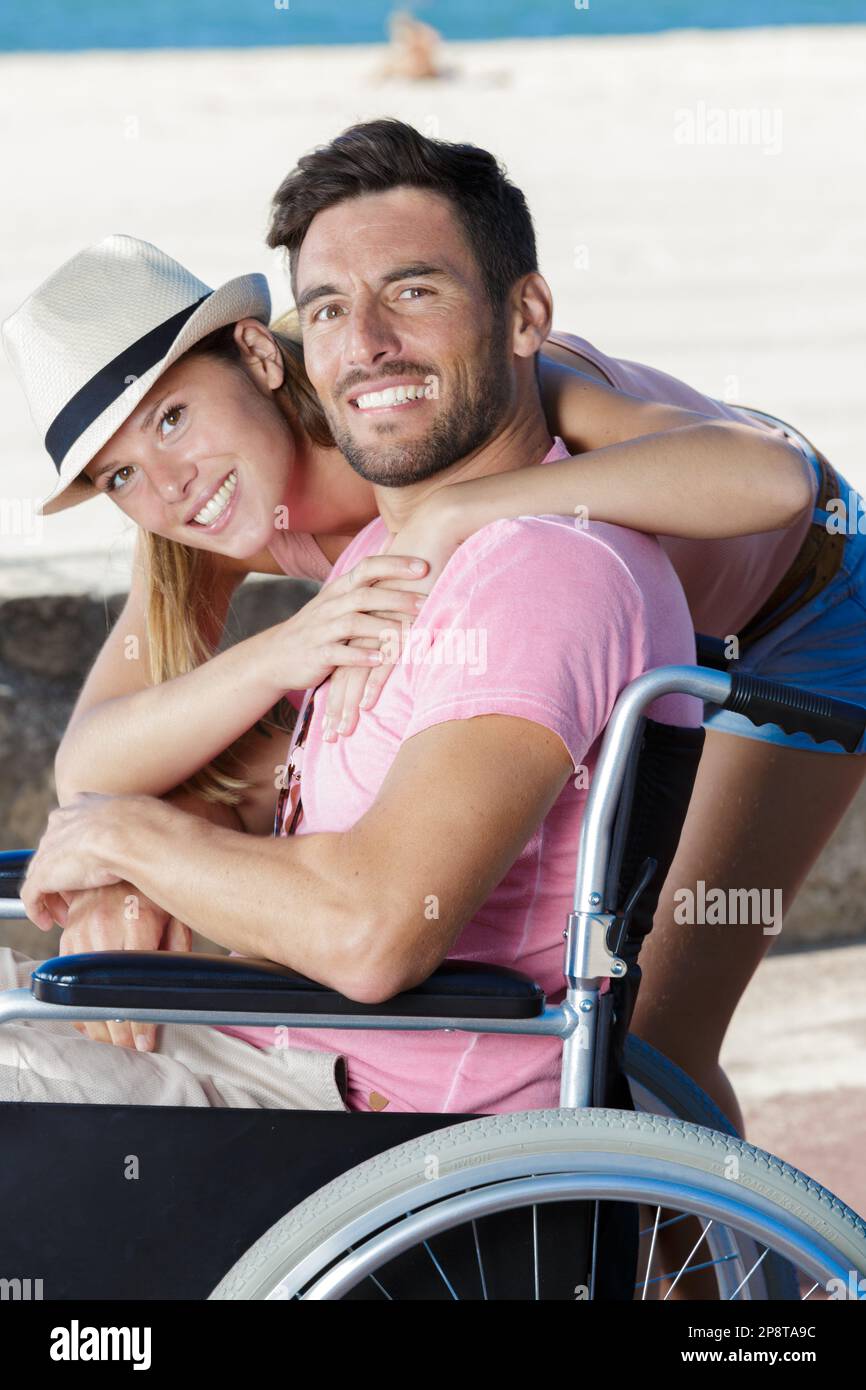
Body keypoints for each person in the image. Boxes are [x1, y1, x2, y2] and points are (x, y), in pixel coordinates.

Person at [5, 122, 863, 1125]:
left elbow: (768, 480)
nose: (164, 479)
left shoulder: (463, 400)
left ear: (255, 355)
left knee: (651, 1037)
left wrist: (465, 507)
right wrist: (268, 666)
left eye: (172, 417)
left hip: (793, 609)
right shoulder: (210, 514)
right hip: (613, 651)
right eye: (117, 476)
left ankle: (732, 1267)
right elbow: (97, 761)